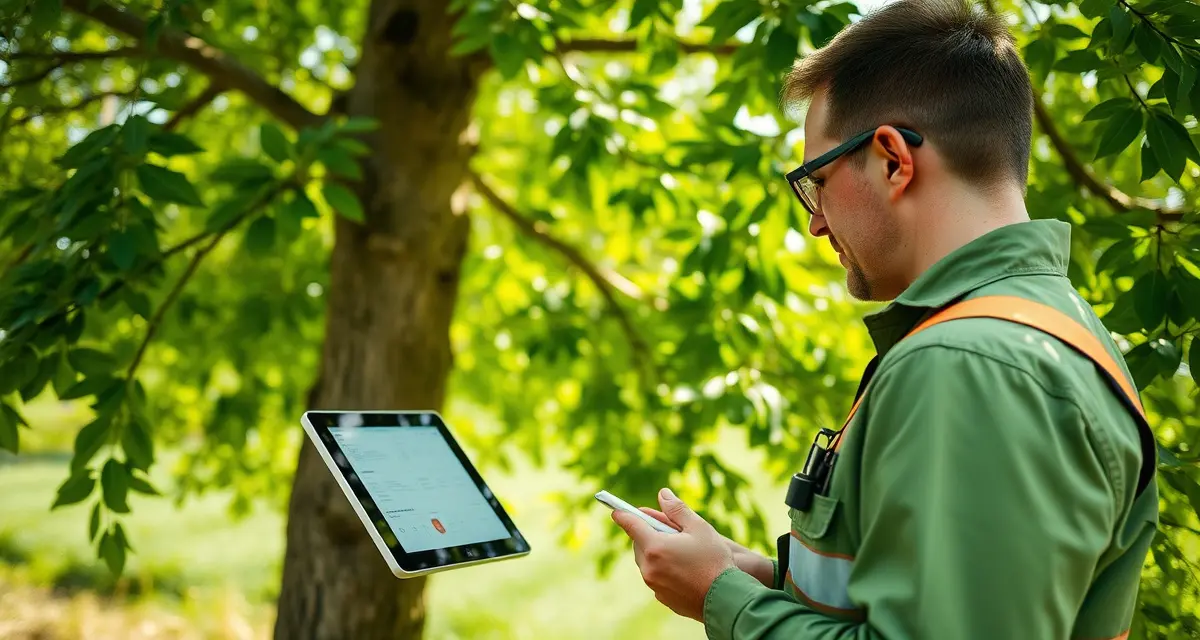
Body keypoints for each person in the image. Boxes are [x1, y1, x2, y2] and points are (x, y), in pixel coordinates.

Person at [610, 0, 1160, 638]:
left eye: (816, 180)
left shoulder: (970, 368)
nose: (815, 220)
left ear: (894, 159)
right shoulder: (1046, 328)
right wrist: (756, 578)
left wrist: (722, 598)